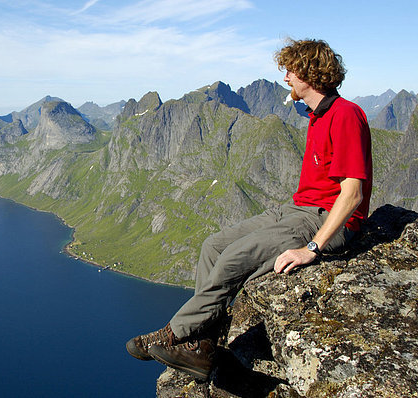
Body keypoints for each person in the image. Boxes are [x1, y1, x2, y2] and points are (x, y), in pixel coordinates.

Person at [126, 38, 373, 380]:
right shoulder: (318, 115)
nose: (286, 78)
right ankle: (202, 345)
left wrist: (311, 248)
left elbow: (353, 194)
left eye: (290, 70)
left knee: (234, 258)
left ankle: (175, 334)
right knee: (213, 245)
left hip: (321, 218)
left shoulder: (345, 115)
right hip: (297, 208)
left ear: (309, 72)